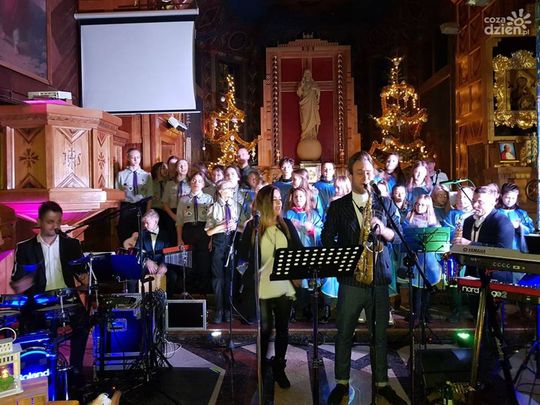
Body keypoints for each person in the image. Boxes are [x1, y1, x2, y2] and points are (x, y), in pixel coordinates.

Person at [323, 151, 406, 405]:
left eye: (369, 172)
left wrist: (384, 230)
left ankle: (382, 383)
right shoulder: (338, 206)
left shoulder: (385, 203)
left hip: (379, 279)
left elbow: (400, 237)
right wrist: (343, 261)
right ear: (350, 175)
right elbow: (327, 239)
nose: (365, 177)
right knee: (344, 333)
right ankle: (341, 382)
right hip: (351, 280)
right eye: (359, 173)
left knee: (380, 335)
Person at [11, 201, 89, 388]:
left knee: (84, 323)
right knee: (29, 324)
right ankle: (38, 372)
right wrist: (23, 283)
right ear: (39, 222)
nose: (55, 226)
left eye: (58, 222)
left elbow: (82, 275)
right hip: (39, 298)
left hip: (66, 296)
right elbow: (17, 281)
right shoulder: (25, 247)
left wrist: (85, 277)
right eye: (50, 222)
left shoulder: (71, 244)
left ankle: (75, 370)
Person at [237, 185, 303, 388]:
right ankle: (262, 366)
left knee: (283, 329)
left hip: (283, 286)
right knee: (265, 329)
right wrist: (250, 276)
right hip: (262, 287)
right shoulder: (253, 227)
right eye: (274, 199)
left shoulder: (287, 225)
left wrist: (297, 276)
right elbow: (242, 257)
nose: (279, 203)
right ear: (265, 203)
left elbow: (299, 251)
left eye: (280, 199)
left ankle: (279, 367)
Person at [454, 186, 514, 389]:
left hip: (496, 279)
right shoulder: (468, 221)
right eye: (475, 200)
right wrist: (456, 251)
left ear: (492, 202)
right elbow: (465, 252)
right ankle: (488, 360)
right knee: (480, 323)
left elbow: (502, 252)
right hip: (474, 277)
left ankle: (489, 372)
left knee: (489, 324)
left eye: (480, 201)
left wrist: (469, 244)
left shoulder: (501, 221)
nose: (475, 204)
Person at [403, 194, 441, 324]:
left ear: (428, 206)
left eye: (423, 205)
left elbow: (438, 240)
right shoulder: (409, 219)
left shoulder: (433, 222)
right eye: (418, 204)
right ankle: (415, 313)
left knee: (427, 288)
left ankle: (424, 312)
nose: (419, 206)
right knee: (416, 289)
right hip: (415, 259)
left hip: (429, 260)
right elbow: (404, 236)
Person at [205, 180, 239, 323]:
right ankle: (219, 309)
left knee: (229, 277)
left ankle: (228, 309)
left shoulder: (236, 206)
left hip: (231, 241)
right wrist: (222, 226)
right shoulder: (213, 207)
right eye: (228, 188)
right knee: (218, 278)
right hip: (218, 242)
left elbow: (241, 226)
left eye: (232, 188)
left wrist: (235, 225)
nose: (231, 190)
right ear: (220, 191)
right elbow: (208, 231)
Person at [176, 173, 214, 293]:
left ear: (203, 184)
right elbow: (179, 221)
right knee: (189, 263)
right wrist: (179, 239)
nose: (196, 183)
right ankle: (190, 292)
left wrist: (211, 239)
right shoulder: (183, 200)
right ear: (189, 183)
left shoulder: (208, 199)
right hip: (188, 231)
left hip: (204, 231)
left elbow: (212, 220)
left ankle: (203, 293)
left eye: (199, 181)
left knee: (204, 263)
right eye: (193, 180)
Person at [123, 209, 175, 296]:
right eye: (144, 223)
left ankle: (167, 301)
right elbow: (137, 251)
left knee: (173, 276)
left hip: (161, 264)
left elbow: (169, 252)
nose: (145, 225)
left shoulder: (166, 234)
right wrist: (147, 261)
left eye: (147, 223)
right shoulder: (142, 234)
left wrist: (164, 265)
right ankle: (135, 300)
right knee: (131, 277)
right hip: (146, 265)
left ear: (155, 222)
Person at [116, 148, 153, 243]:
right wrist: (118, 214)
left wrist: (147, 213)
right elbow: (118, 196)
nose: (136, 160)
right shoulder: (121, 175)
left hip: (141, 207)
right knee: (125, 235)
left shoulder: (147, 175)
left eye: (138, 157)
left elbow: (149, 197)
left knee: (140, 236)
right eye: (133, 157)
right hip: (126, 207)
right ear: (128, 158)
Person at [297, 69, 321, 140]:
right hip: (305, 105)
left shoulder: (314, 84)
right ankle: (305, 135)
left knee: (313, 119)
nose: (307, 75)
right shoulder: (302, 83)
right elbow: (299, 93)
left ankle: (312, 135)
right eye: (306, 74)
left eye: (309, 74)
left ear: (310, 75)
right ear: (304, 75)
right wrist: (301, 86)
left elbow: (318, 93)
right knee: (304, 120)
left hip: (312, 105)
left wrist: (316, 89)